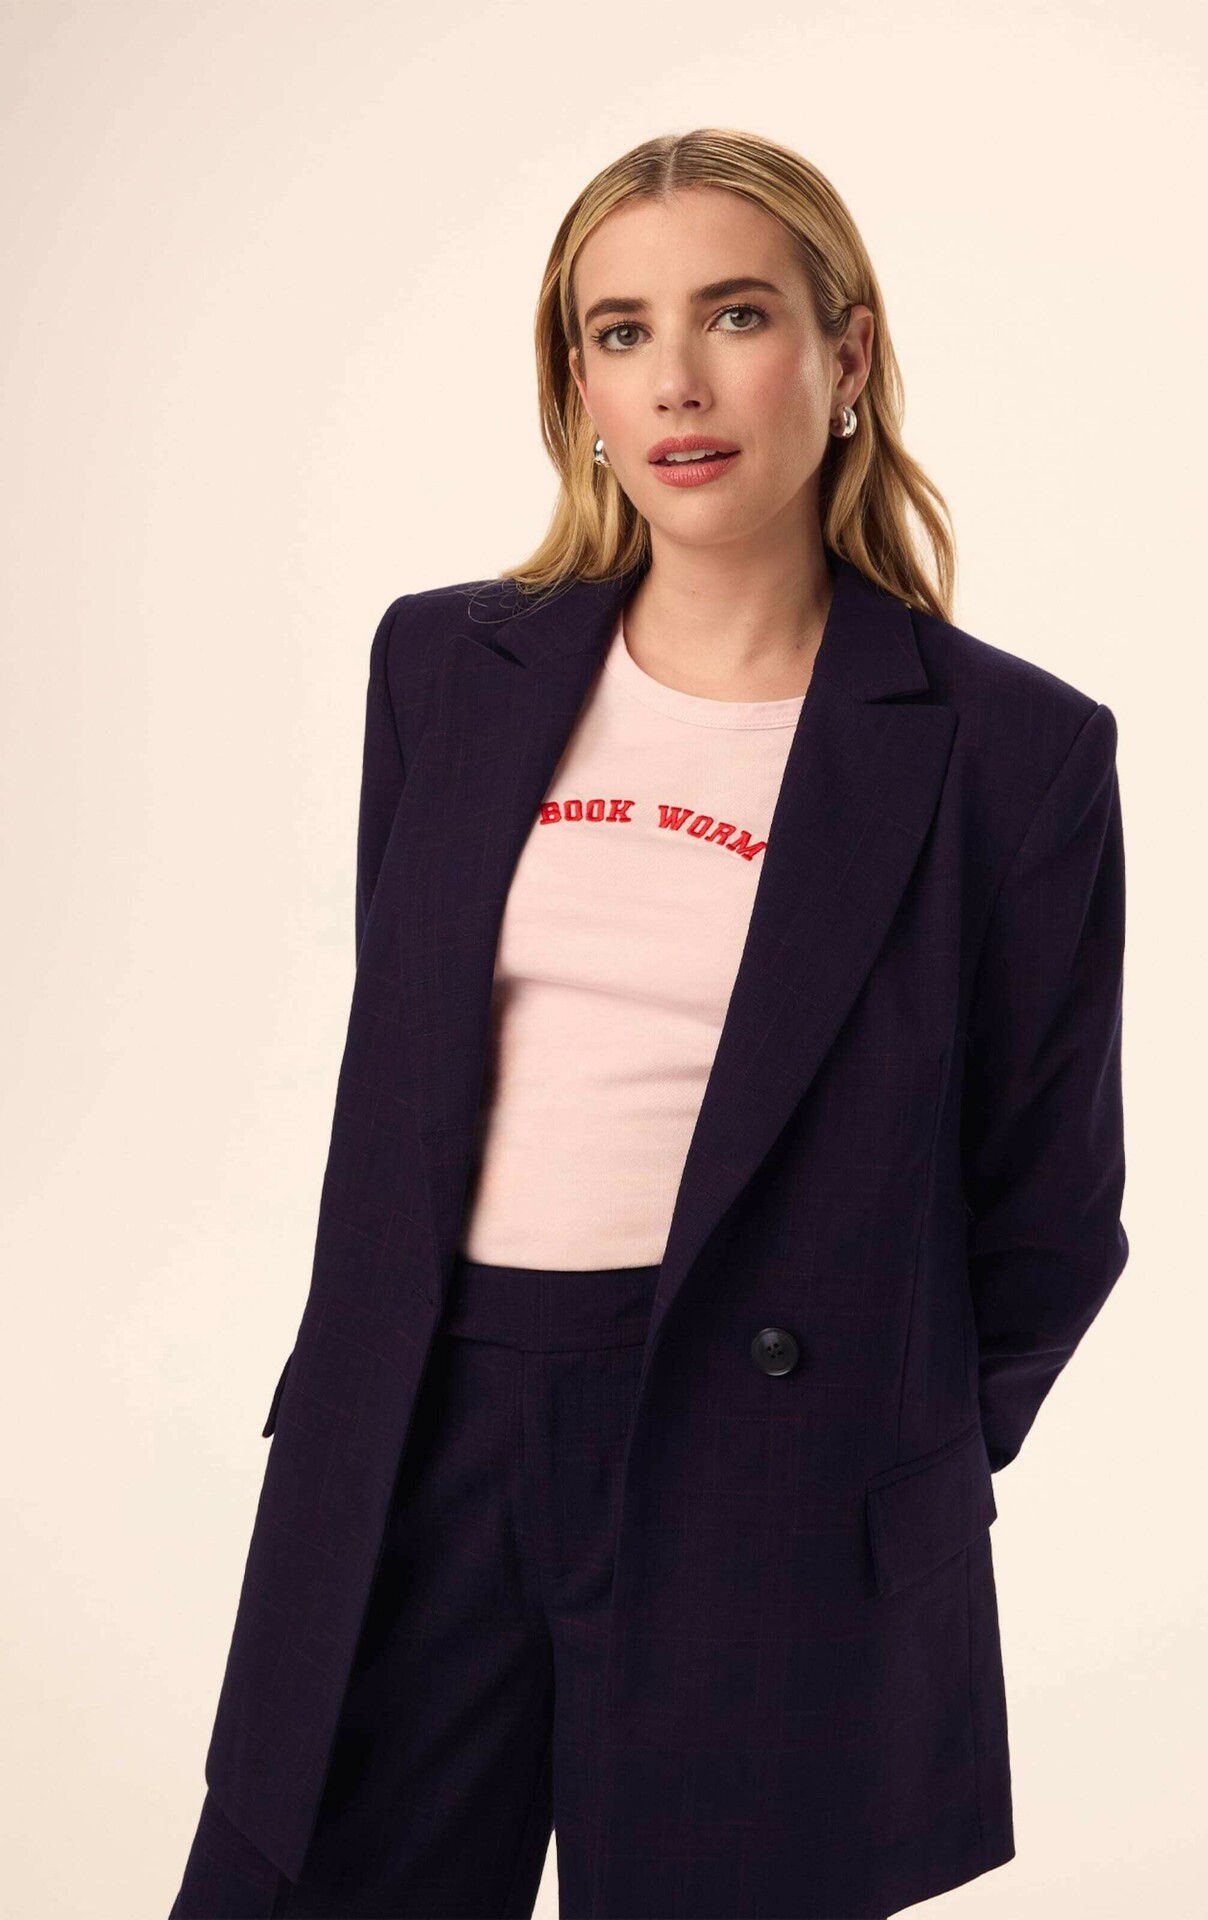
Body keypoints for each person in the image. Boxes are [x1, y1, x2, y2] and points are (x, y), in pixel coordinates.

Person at [170, 126, 1129, 1920]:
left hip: (768, 1465)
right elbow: (404, 1083)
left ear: (846, 356)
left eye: (736, 314)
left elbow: (1050, 1216)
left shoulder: (1013, 753)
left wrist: (867, 1455)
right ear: (579, 387)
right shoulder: (445, 668)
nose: (677, 379)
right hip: (419, 1433)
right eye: (620, 331)